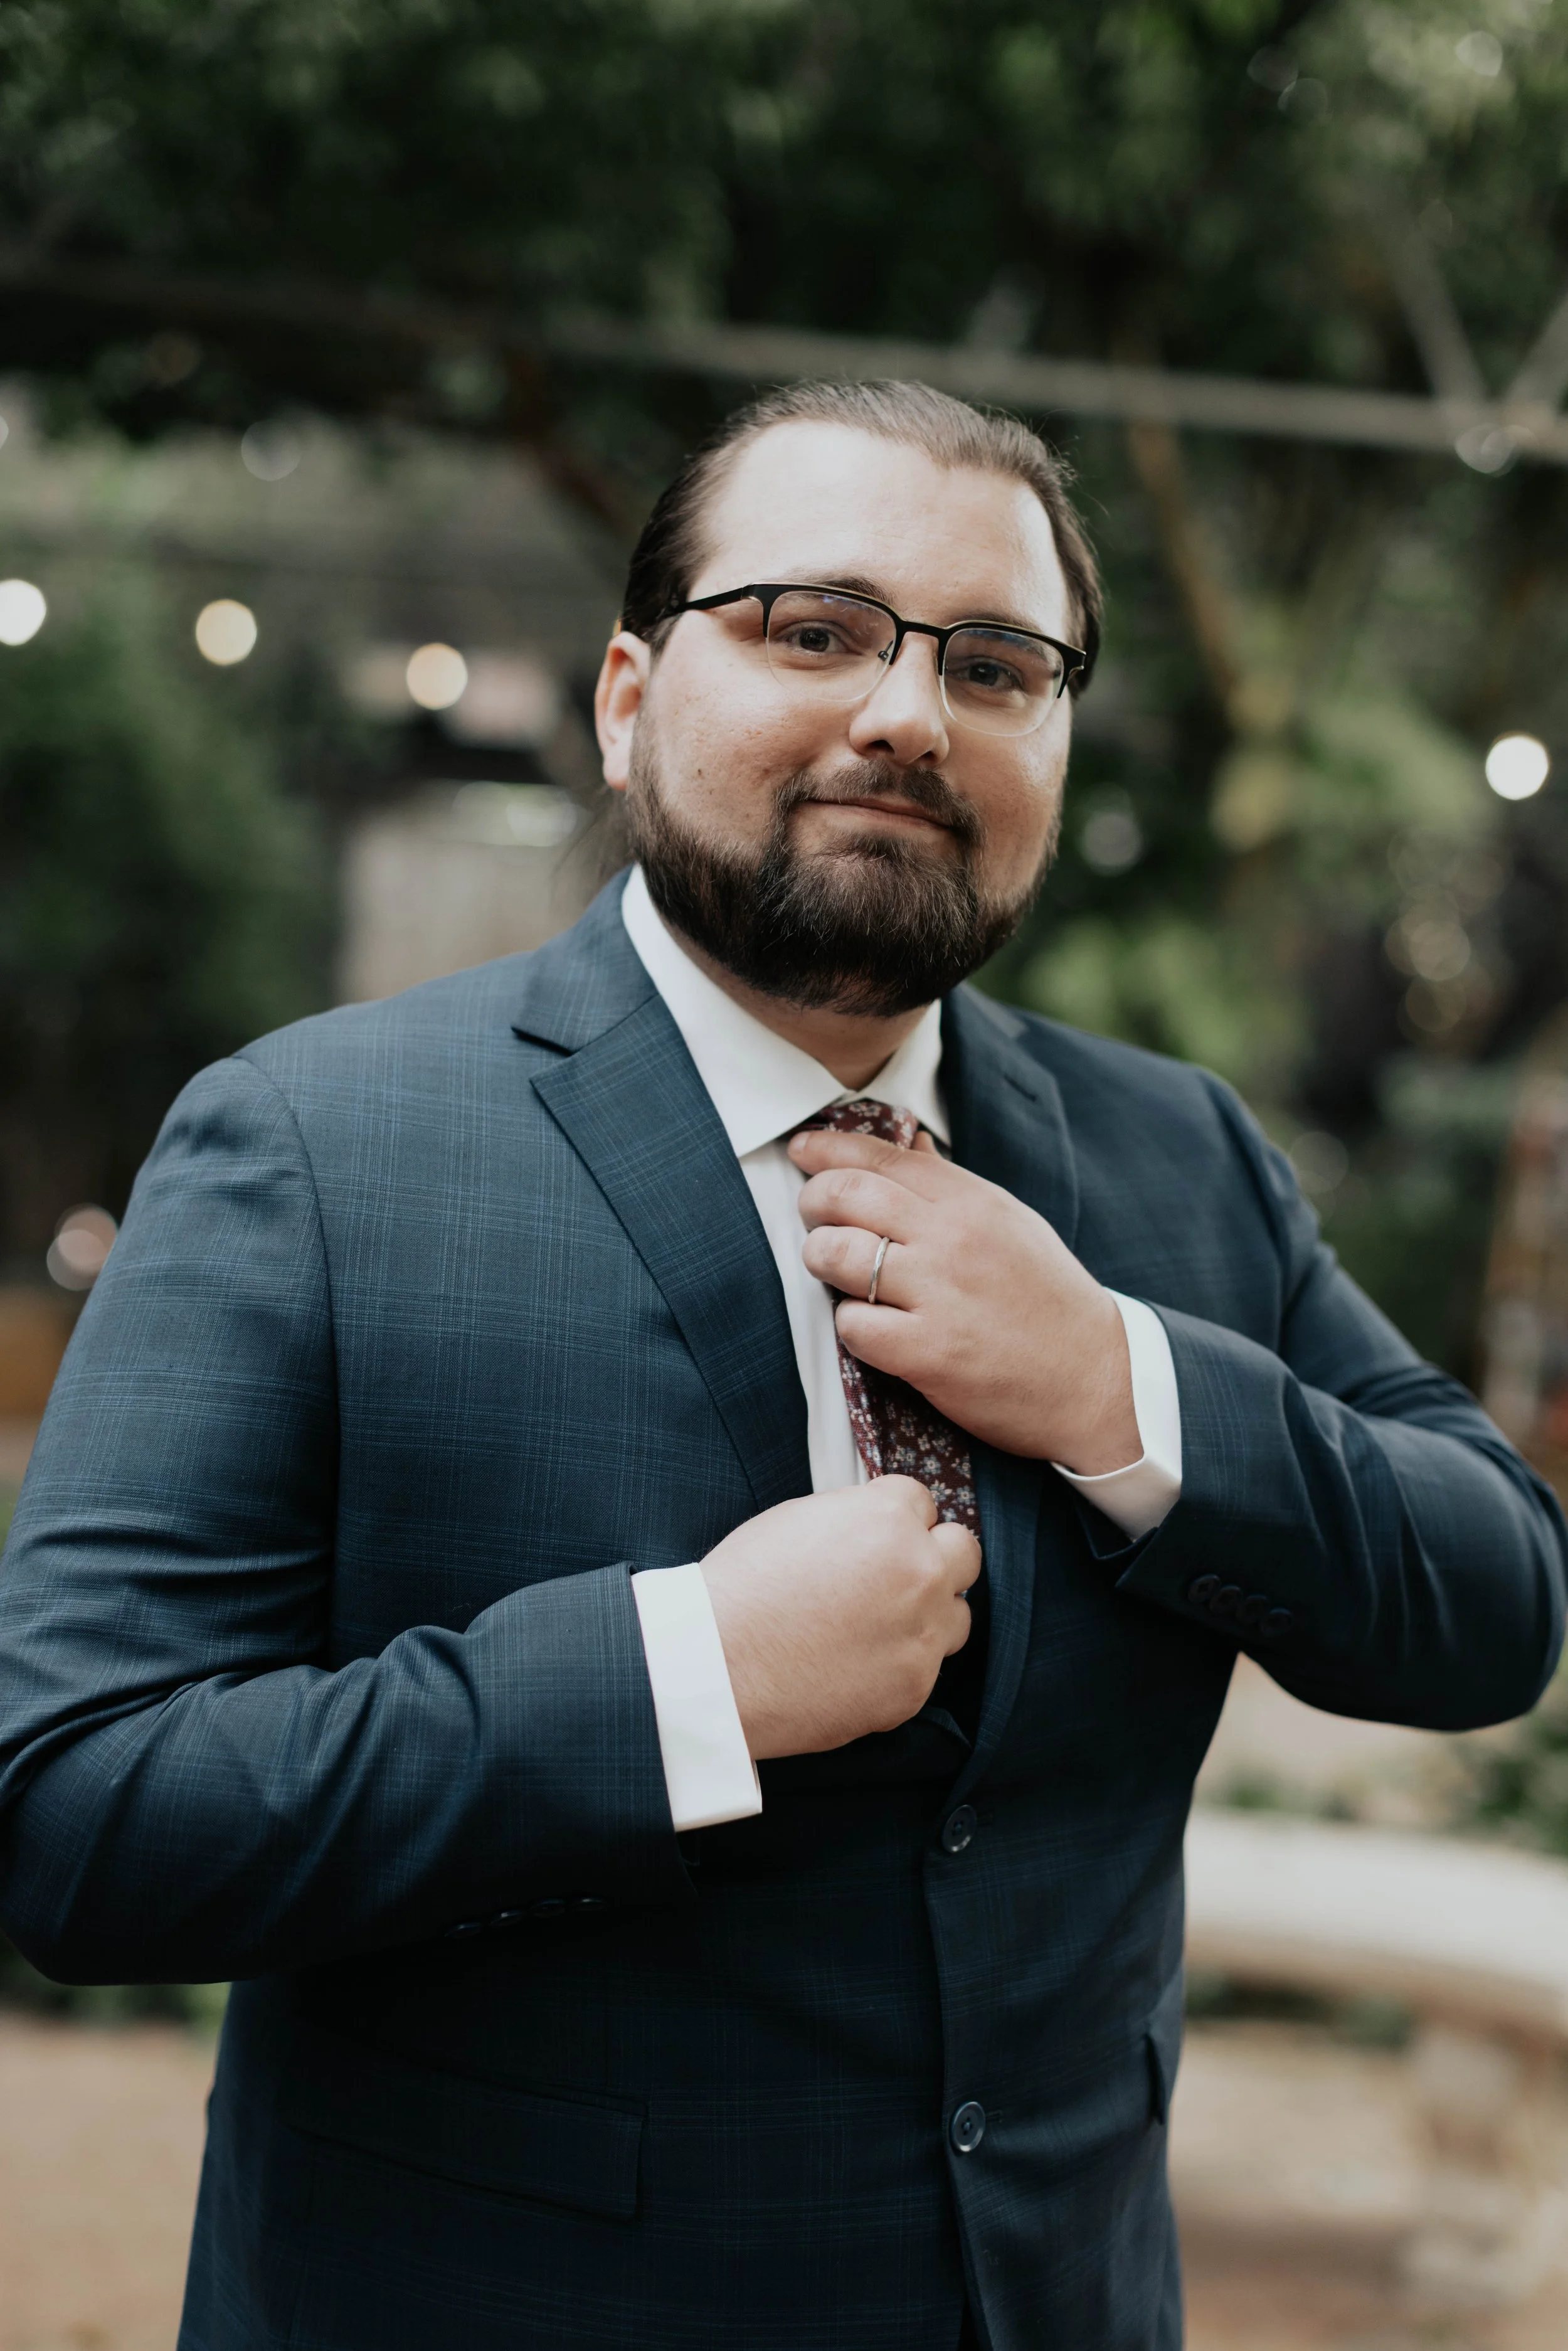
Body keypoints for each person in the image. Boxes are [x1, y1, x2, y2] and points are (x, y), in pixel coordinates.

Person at [0, 379, 1562, 2351]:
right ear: (626, 697)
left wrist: (1113, 1384)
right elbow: (80, 1811)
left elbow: (1495, 1597)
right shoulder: (312, 1147)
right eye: (812, 628)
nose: (908, 713)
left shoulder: (1178, 1161)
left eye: (993, 664)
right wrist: (687, 1679)